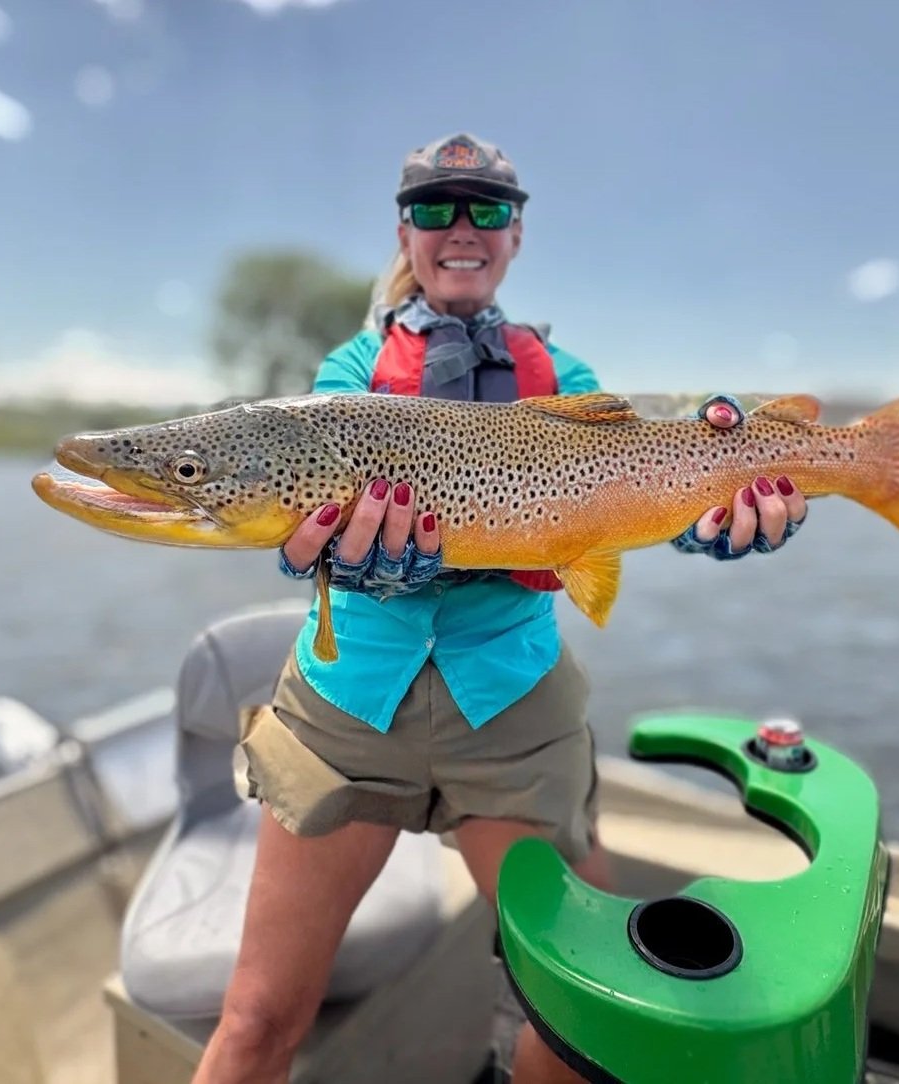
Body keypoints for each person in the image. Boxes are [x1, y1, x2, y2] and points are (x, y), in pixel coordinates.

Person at [192, 132, 808, 1084]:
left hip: (513, 704)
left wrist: (714, 520)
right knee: (256, 1020)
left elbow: (644, 478)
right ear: (407, 230)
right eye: (436, 207)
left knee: (588, 1007)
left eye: (487, 206)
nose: (462, 226)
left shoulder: (566, 379)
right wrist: (343, 559)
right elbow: (296, 510)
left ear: (517, 231)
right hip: (348, 706)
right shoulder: (348, 373)